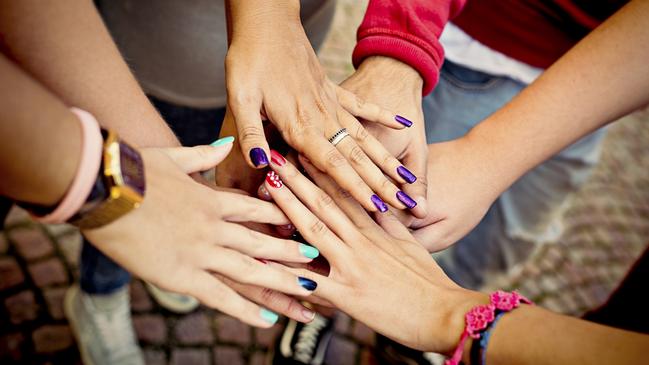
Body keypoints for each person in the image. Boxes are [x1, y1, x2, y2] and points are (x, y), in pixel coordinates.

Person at [0, 1, 413, 363]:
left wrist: (273, 21)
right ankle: (101, 296)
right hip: (149, 48)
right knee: (142, 207)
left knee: (186, 180)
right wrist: (110, 182)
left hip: (264, 55)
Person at [260, 0, 649, 363]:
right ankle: (316, 308)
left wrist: (452, 320)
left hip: (599, 86)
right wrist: (400, 52)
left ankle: (411, 333)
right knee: (356, 217)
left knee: (498, 244)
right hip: (480, 48)